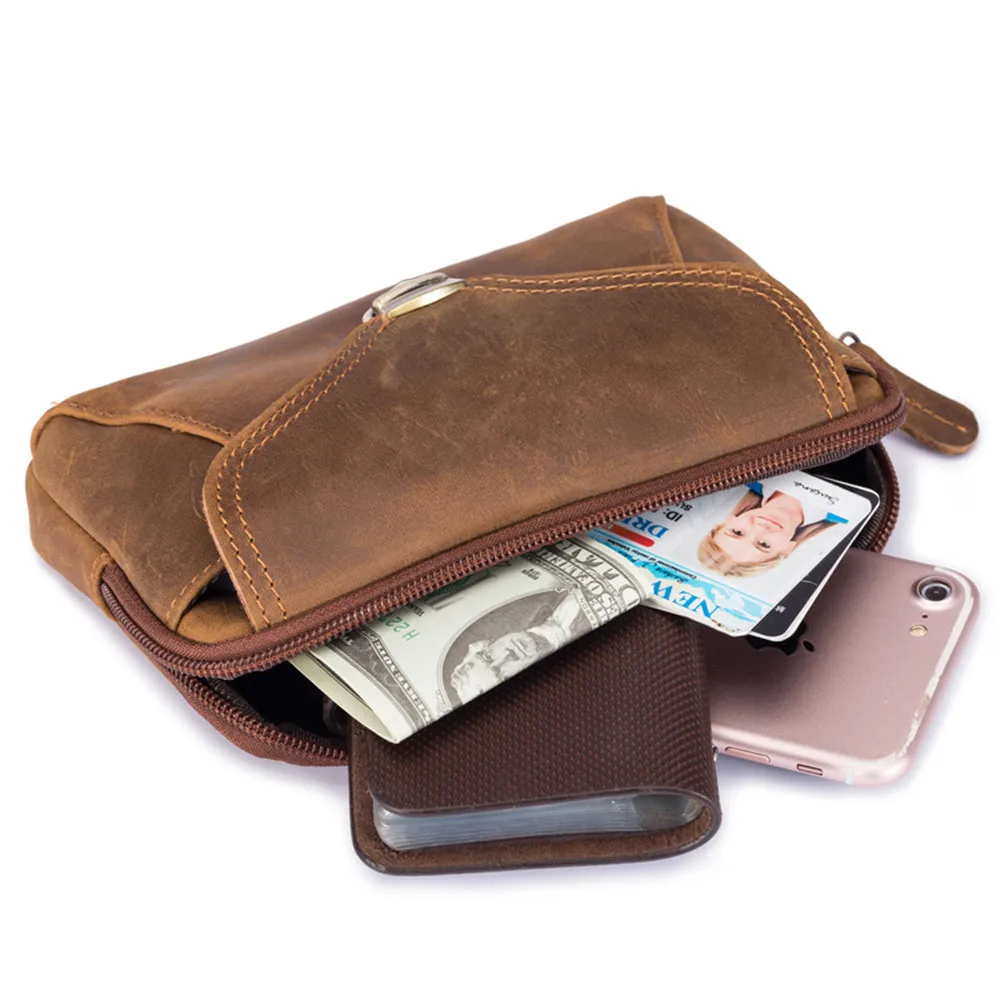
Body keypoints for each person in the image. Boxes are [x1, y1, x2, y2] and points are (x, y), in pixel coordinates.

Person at [447, 589, 589, 702]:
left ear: (489, 642)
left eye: (488, 656)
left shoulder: (541, 599)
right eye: (503, 676)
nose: (507, 655)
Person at [697, 483, 836, 578]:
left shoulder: (750, 473)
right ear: (788, 549)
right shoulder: (842, 512)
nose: (760, 528)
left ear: (728, 521)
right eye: (764, 544)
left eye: (737, 532)